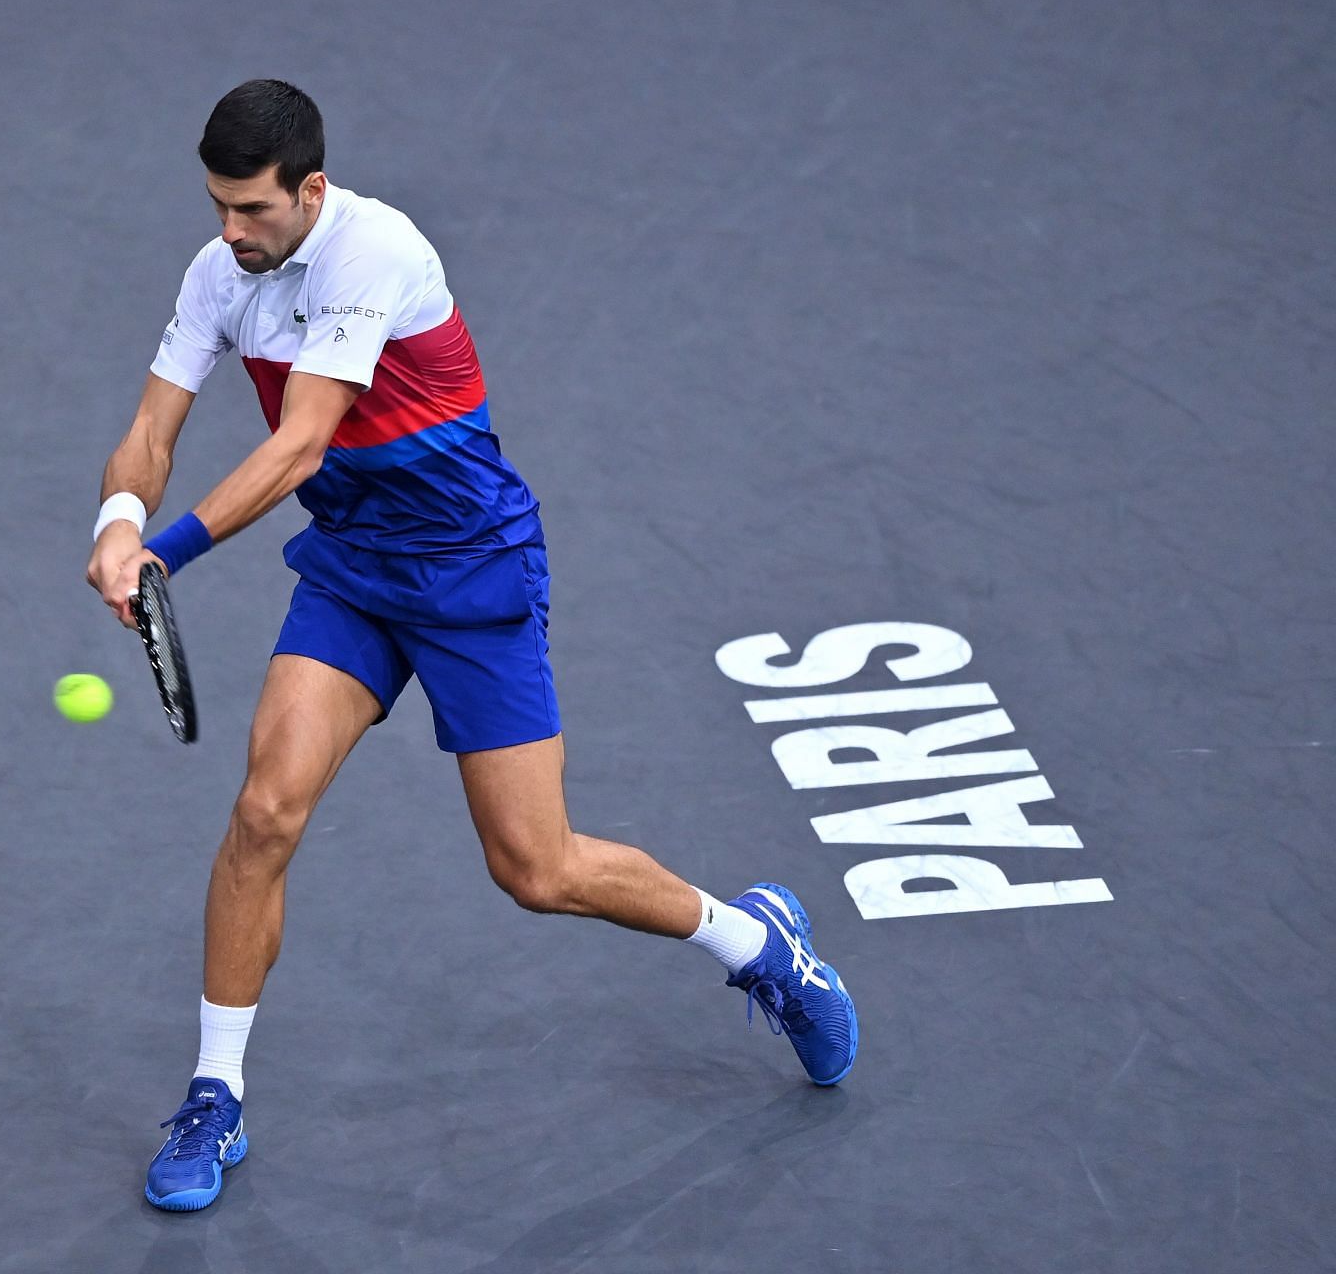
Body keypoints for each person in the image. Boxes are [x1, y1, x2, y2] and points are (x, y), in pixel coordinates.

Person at [86, 79, 857, 1213]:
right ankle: (216, 1091)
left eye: (250, 210)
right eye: (215, 205)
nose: (228, 232)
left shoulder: (375, 250)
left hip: (472, 568)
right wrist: (114, 526)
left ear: (310, 189)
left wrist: (171, 551)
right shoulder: (220, 277)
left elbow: (302, 445)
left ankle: (759, 944)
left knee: (534, 868)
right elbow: (151, 429)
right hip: (353, 572)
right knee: (264, 811)